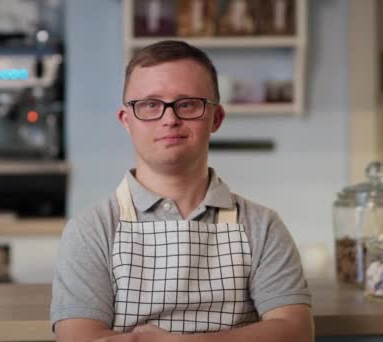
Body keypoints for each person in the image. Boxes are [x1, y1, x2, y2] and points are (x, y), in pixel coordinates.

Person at [51, 40, 313, 342]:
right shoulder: (90, 231)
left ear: (216, 118)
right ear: (127, 120)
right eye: (150, 104)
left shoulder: (263, 226)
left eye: (187, 104)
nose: (169, 118)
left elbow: (295, 332)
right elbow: (79, 339)